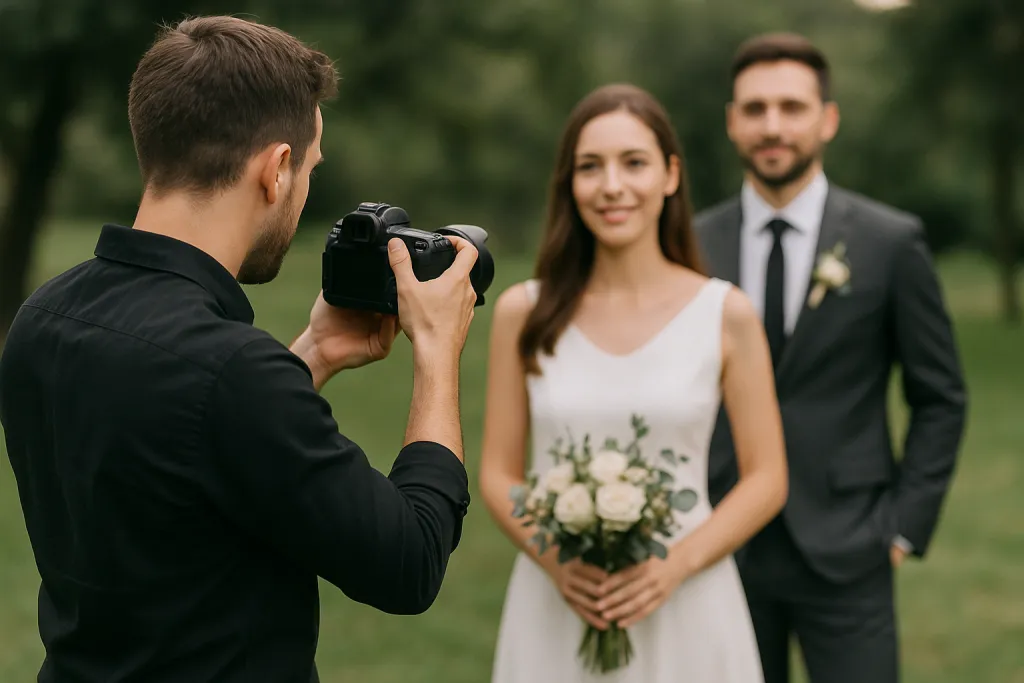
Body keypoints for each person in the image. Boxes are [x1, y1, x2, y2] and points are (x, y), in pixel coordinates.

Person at [0, 16, 480, 683]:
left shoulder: (44, 316)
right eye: (309, 168)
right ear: (277, 169)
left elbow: (177, 450)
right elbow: (409, 561)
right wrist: (436, 350)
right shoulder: (232, 371)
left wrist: (313, 354)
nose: (304, 189)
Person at [479, 82, 788, 682]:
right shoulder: (525, 311)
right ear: (569, 183)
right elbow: (497, 472)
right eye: (590, 167)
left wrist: (674, 566)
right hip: (557, 600)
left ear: (670, 175)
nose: (612, 186)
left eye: (634, 163)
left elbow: (767, 477)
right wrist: (556, 560)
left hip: (688, 599)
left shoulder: (725, 313)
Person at [694, 32, 968, 683]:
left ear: (828, 118)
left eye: (792, 107)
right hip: (720, 541)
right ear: (732, 122)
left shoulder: (890, 242)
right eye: (755, 109)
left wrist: (902, 527)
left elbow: (941, 396)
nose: (773, 126)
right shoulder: (690, 244)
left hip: (851, 546)